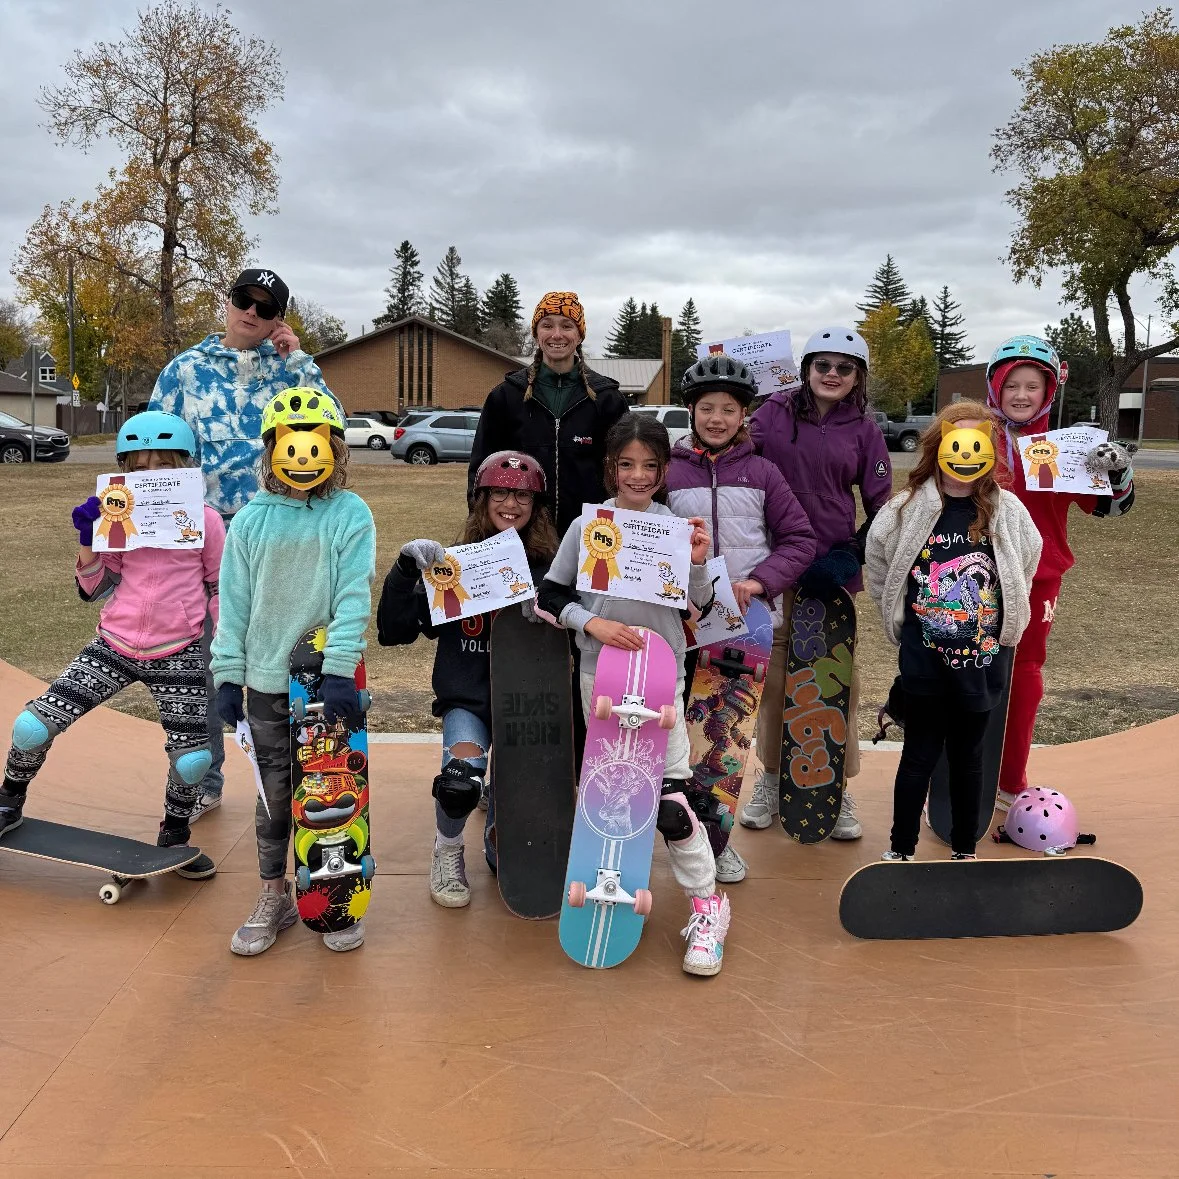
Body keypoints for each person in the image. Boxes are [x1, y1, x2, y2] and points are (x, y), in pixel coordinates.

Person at [539, 414, 731, 977]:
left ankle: (707, 907)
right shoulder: (589, 526)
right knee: (608, 794)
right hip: (600, 676)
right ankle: (606, 893)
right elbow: (548, 595)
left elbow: (696, 607)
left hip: (660, 674)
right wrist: (588, 625)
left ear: (664, 470)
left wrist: (697, 564)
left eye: (650, 466)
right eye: (627, 465)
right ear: (611, 468)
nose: (638, 475)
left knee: (670, 806)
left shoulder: (675, 527)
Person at [150, 267, 343, 821]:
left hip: (276, 536)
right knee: (208, 660)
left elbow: (330, 432)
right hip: (202, 539)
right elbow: (155, 456)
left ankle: (298, 773)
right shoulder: (185, 371)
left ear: (277, 318)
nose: (251, 314)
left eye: (266, 308)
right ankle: (203, 777)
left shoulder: (291, 373)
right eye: (244, 300)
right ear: (228, 301)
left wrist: (301, 360)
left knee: (288, 655)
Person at [0, 412, 223, 878]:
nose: (150, 477)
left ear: (183, 467)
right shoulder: (116, 516)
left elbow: (219, 585)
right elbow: (94, 587)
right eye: (139, 469)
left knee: (193, 758)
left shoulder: (205, 521)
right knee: (30, 727)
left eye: (163, 467)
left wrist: (221, 649)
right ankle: (9, 802)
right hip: (115, 642)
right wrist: (88, 540)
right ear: (125, 470)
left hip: (179, 648)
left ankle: (174, 838)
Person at [211, 388, 375, 956]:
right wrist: (228, 675)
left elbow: (354, 597)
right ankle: (272, 894)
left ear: (334, 449)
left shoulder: (350, 514)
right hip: (264, 682)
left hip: (325, 684)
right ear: (272, 448)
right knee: (274, 792)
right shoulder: (252, 520)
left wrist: (338, 669)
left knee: (331, 790)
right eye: (288, 441)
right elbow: (232, 603)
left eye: (315, 442)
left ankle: (336, 892)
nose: (301, 455)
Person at [377, 450, 560, 907]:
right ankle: (448, 848)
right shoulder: (455, 569)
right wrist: (404, 572)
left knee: (512, 846)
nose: (511, 504)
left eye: (522, 495)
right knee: (459, 782)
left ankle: (501, 819)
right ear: (481, 499)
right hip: (471, 700)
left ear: (537, 505)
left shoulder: (554, 572)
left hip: (530, 704)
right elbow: (393, 632)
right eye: (500, 492)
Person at [864, 402, 1042, 860]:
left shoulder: (1007, 510)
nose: (965, 456)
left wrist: (1006, 614)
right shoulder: (905, 509)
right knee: (919, 756)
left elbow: (1027, 559)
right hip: (924, 663)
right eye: (955, 443)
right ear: (937, 446)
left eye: (976, 444)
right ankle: (900, 849)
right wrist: (899, 618)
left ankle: (965, 849)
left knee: (968, 757)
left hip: (983, 664)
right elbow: (880, 563)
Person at [665, 353, 817, 883]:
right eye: (706, 408)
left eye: (727, 409)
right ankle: (662, 830)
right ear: (690, 411)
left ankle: (716, 838)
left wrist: (759, 583)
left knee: (723, 739)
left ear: (742, 415)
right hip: (675, 624)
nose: (716, 419)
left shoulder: (762, 472)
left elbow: (800, 539)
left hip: (742, 623)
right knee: (669, 735)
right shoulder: (665, 470)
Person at [742, 327, 892, 838]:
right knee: (777, 679)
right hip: (776, 564)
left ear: (858, 377)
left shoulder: (864, 430)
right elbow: (739, 457)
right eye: (822, 364)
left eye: (844, 367)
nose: (832, 374)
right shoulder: (773, 412)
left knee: (832, 681)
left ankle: (837, 787)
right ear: (805, 368)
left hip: (831, 573)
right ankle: (769, 777)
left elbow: (883, 509)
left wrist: (850, 555)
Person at [983, 336, 1136, 810]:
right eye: (1012, 385)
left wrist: (1117, 474)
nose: (1022, 395)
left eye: (1033, 386)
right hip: (972, 573)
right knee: (967, 676)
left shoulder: (1063, 447)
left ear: (1048, 392)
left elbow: (1110, 510)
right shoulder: (972, 437)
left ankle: (1010, 780)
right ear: (995, 387)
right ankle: (958, 780)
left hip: (1038, 576)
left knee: (1025, 672)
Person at [468, 291, 630, 536]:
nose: (557, 334)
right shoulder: (506, 396)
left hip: (590, 537)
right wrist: (481, 525)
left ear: (579, 335)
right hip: (522, 535)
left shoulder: (607, 399)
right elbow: (480, 469)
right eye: (547, 325)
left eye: (567, 326)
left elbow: (623, 470)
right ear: (536, 333)